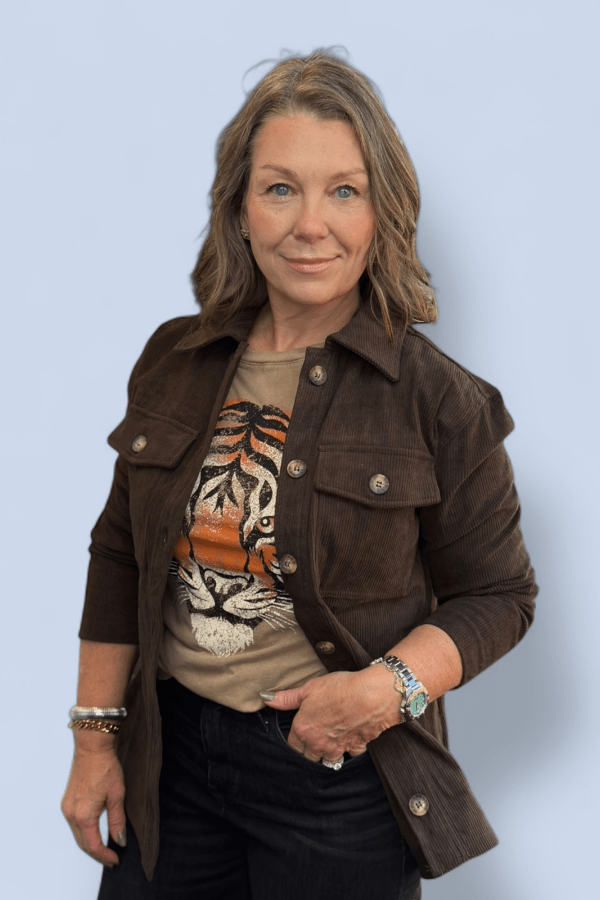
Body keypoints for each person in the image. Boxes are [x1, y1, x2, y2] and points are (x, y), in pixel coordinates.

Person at [61, 49, 538, 900]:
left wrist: (386, 690)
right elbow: (121, 552)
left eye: (344, 191)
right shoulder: (174, 358)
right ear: (240, 210)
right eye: (280, 188)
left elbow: (500, 595)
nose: (310, 224)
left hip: (339, 778)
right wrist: (96, 741)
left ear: (383, 212)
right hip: (170, 760)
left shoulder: (439, 400)